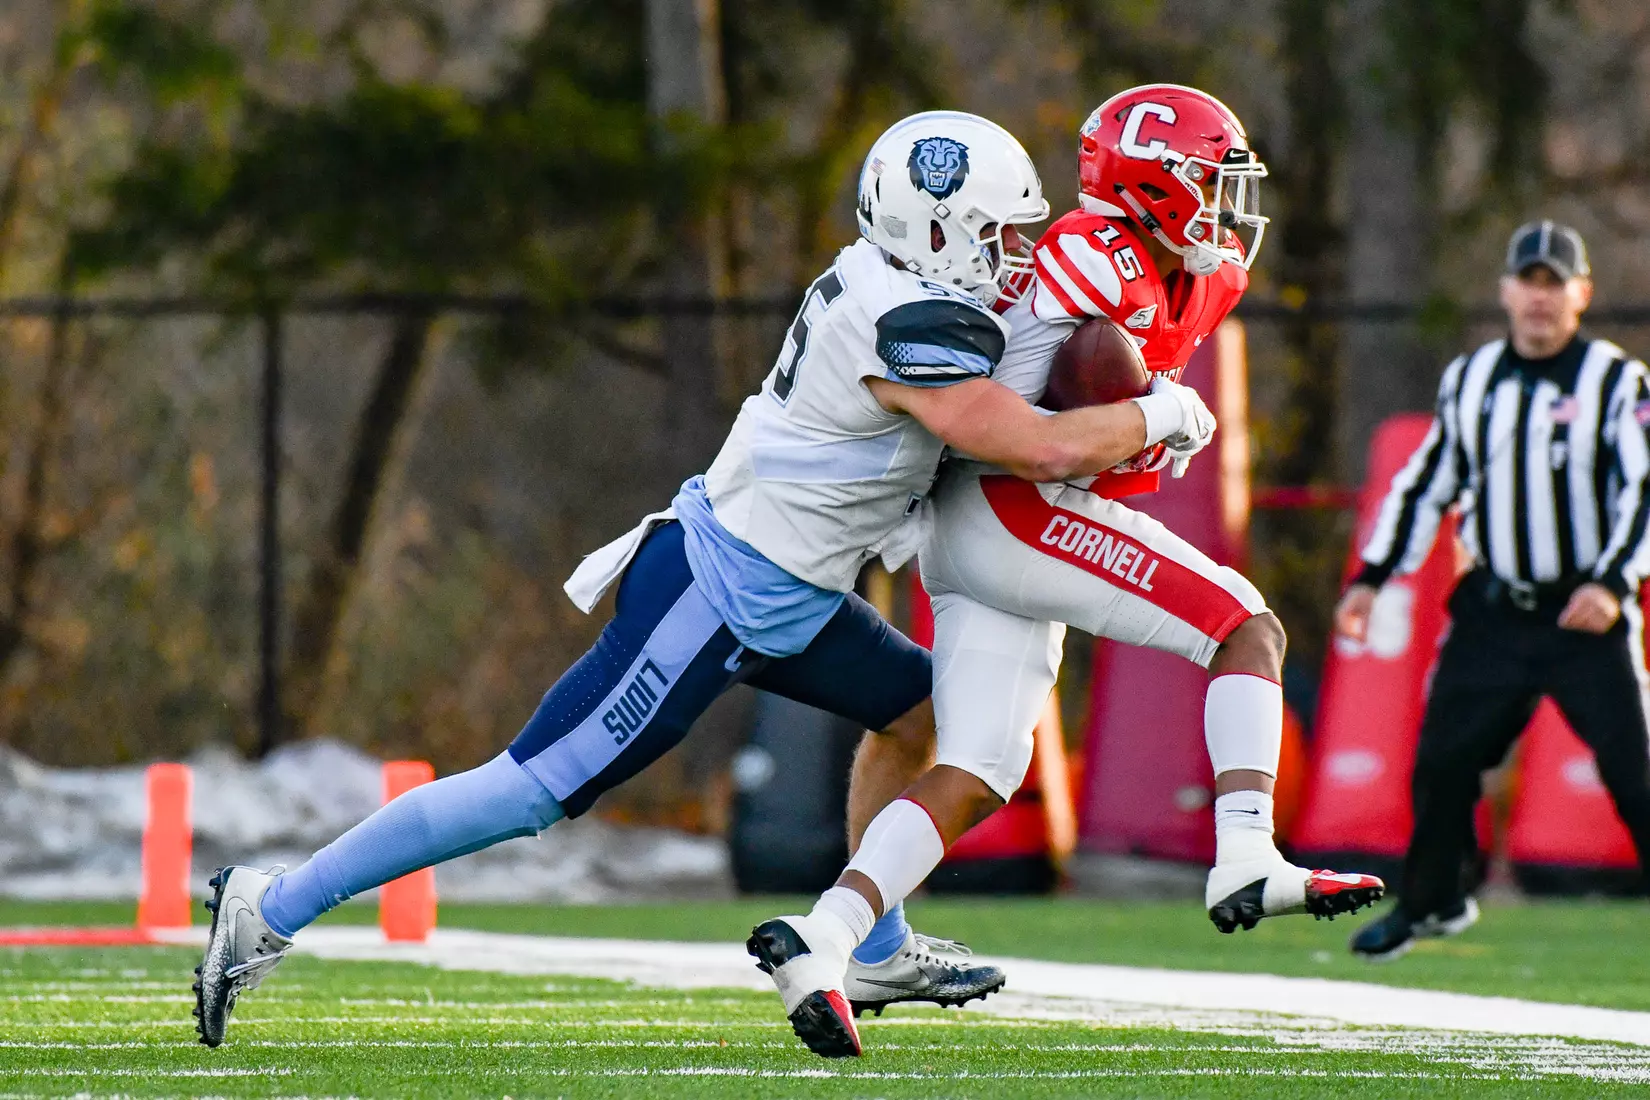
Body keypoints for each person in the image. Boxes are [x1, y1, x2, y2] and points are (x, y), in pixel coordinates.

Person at [191, 108, 1222, 1047]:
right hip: (718, 590)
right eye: (998, 237)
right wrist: (1162, 411)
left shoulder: (898, 286)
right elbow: (1033, 447)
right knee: (530, 790)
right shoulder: (909, 324)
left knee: (921, 719)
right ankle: (270, 903)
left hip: (799, 594)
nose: (1013, 261)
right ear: (938, 230)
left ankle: (873, 944)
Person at [754, 84, 1383, 1060]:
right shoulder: (1092, 258)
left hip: (981, 524)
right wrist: (1151, 415)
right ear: (1155, 186)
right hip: (1013, 504)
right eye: (1210, 182)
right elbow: (1029, 409)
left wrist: (1130, 426)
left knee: (978, 769)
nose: (1227, 207)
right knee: (1243, 625)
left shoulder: (1181, 272)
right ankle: (1246, 853)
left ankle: (827, 937)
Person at [1338, 220, 1650, 962]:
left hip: (1583, 614)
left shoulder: (1615, 381)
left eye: (1556, 283)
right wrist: (1373, 577)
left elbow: (1646, 487)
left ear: (1582, 294)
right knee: (1442, 762)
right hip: (1496, 610)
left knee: (1633, 773)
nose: (1541, 298)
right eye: (1529, 281)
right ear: (1507, 289)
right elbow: (1427, 482)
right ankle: (1432, 901)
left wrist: (1612, 582)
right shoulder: (1473, 379)